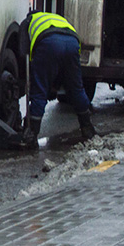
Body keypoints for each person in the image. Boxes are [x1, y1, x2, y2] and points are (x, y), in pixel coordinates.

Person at [19, 10, 96, 145]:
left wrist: (32, 75)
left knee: (39, 92)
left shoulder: (27, 22)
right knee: (77, 88)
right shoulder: (56, 18)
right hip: (72, 43)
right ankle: (87, 128)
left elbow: (23, 52)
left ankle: (31, 134)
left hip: (48, 43)